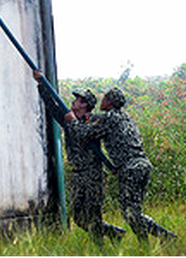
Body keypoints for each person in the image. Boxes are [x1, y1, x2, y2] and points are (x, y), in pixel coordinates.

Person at [33, 71, 125, 243]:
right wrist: (41, 85)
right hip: (77, 174)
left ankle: (101, 249)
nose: (73, 101)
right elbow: (53, 107)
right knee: (79, 219)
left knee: (93, 215)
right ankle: (114, 233)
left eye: (78, 99)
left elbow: (90, 134)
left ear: (84, 105)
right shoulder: (69, 120)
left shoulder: (96, 120)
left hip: (93, 173)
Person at [82, 86, 175, 241]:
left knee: (130, 213)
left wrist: (75, 120)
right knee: (134, 211)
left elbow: (87, 134)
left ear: (110, 102)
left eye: (105, 98)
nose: (102, 100)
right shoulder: (126, 117)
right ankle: (155, 241)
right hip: (142, 165)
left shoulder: (109, 117)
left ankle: (158, 240)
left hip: (131, 168)